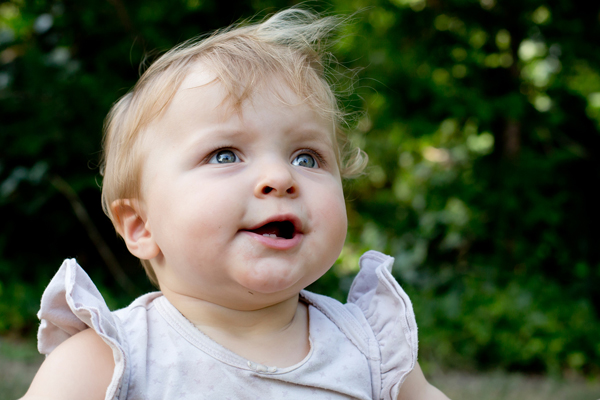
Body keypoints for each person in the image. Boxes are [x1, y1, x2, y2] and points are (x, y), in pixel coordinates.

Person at [22, 8, 450, 400]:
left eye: (307, 158)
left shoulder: (370, 351)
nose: (281, 178)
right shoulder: (110, 360)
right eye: (225, 155)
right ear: (141, 226)